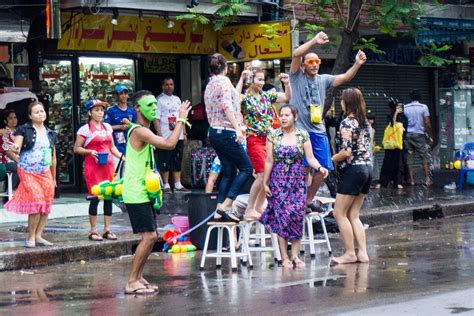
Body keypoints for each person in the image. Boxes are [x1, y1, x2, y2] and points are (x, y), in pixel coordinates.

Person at [122, 90, 190, 294]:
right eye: (149, 105)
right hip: (136, 192)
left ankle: (138, 277)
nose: (154, 108)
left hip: (143, 191)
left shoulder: (142, 129)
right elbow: (169, 144)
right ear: (137, 109)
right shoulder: (140, 131)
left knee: (151, 235)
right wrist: (181, 120)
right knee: (150, 236)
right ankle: (131, 281)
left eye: (155, 105)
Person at [290, 31, 367, 211]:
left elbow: (345, 77)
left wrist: (357, 63)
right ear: (303, 65)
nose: (315, 64)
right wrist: (314, 41)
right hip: (300, 129)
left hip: (318, 130)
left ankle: (308, 200)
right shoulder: (296, 76)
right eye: (311, 62)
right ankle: (298, 200)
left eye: (318, 61)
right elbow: (296, 54)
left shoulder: (323, 80)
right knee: (302, 169)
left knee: (324, 167)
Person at [260, 105, 329, 269]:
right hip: (279, 179)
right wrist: (265, 182)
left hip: (298, 180)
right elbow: (269, 160)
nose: (283, 118)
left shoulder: (302, 134)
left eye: (287, 115)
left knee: (297, 214)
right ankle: (284, 256)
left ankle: (295, 255)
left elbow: (310, 158)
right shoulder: (273, 135)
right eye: (281, 115)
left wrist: (320, 167)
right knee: (282, 217)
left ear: (294, 118)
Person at [235, 67, 291, 219]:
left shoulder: (267, 95)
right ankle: (249, 209)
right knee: (261, 174)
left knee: (270, 174)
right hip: (254, 139)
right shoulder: (245, 97)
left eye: (262, 79)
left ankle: (259, 206)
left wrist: (287, 83)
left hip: (269, 140)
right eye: (258, 79)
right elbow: (234, 99)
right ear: (251, 81)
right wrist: (242, 78)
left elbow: (286, 96)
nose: (261, 82)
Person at [204, 53, 253, 221]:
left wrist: (241, 79)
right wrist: (238, 128)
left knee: (229, 171)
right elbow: (227, 105)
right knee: (247, 168)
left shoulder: (210, 84)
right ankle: (227, 204)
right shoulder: (224, 82)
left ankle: (219, 210)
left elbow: (234, 98)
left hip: (214, 132)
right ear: (225, 68)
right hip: (226, 132)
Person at [5, 101, 57, 248]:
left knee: (46, 203)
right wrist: (15, 148)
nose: (41, 114)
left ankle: (39, 235)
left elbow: (53, 158)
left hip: (45, 172)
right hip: (27, 171)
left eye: (42, 111)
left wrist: (53, 178)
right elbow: (17, 146)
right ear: (30, 116)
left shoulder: (50, 133)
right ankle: (31, 237)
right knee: (37, 201)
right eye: (37, 112)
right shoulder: (23, 129)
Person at [331, 88, 372, 264]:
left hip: (354, 170)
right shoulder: (365, 123)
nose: (340, 102)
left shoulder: (347, 122)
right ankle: (362, 253)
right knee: (353, 214)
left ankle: (349, 253)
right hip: (368, 169)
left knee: (338, 213)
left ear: (347, 102)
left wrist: (331, 159)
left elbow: (347, 152)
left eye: (342, 99)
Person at [73, 99, 123, 242]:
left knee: (108, 197)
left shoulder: (107, 127)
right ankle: (93, 230)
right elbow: (76, 148)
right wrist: (90, 152)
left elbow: (112, 147)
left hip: (108, 168)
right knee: (95, 198)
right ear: (90, 112)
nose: (100, 112)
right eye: (96, 110)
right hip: (93, 168)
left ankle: (107, 229)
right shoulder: (85, 130)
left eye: (102, 110)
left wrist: (123, 157)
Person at [153, 78, 190, 193]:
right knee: (165, 159)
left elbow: (182, 117)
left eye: (171, 84)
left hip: (178, 134)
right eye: (167, 85)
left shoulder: (177, 99)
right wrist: (159, 134)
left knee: (177, 158)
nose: (169, 86)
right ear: (162, 86)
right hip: (165, 135)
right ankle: (166, 185)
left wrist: (184, 132)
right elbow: (156, 118)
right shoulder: (159, 100)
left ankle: (178, 184)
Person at [404, 89, 433, 186]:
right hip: (419, 135)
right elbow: (427, 123)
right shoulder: (423, 107)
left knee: (410, 157)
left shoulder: (405, 107)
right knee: (424, 157)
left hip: (408, 135)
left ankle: (412, 180)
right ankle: (427, 179)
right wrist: (430, 136)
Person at [377, 100, 408, 189]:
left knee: (399, 163)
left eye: (401, 107)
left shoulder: (404, 118)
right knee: (387, 163)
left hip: (399, 143)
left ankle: (397, 182)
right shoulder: (390, 116)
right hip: (390, 144)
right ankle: (383, 182)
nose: (400, 109)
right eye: (398, 107)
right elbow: (392, 124)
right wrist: (395, 114)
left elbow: (404, 130)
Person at [104, 85, 137, 158]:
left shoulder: (132, 111)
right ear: (116, 96)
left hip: (131, 146)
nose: (124, 96)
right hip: (116, 147)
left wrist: (130, 124)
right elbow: (105, 127)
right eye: (121, 94)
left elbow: (137, 127)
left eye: (125, 93)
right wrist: (120, 127)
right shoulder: (111, 111)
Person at [0, 109, 20, 188]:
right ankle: (10, 190)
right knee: (21, 167)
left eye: (15, 118)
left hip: (17, 159)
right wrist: (19, 161)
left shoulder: (18, 132)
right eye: (10, 118)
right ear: (5, 121)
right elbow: (7, 151)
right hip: (7, 160)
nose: (13, 120)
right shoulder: (4, 132)